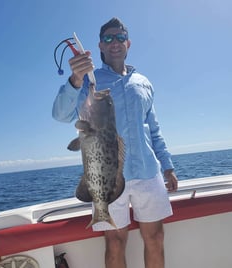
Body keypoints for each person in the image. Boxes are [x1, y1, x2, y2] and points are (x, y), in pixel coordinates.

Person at [52, 17, 178, 268]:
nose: (115, 43)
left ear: (128, 43)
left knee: (155, 237)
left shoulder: (144, 82)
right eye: (108, 38)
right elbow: (61, 115)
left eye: (120, 37)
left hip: (147, 171)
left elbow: (153, 128)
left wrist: (168, 166)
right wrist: (75, 79)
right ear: (100, 45)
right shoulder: (88, 79)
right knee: (115, 241)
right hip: (106, 174)